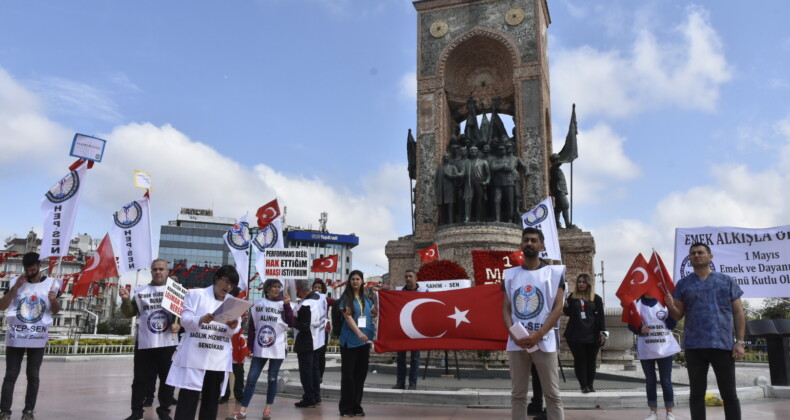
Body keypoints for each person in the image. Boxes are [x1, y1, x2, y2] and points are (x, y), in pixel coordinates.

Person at [665, 242, 745, 420]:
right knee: (696, 395)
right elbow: (678, 315)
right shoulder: (683, 284)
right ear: (690, 258)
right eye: (693, 253)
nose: (696, 255)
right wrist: (670, 305)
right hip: (695, 346)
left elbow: (739, 312)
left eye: (700, 252)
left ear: (710, 257)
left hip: (722, 345)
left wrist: (739, 342)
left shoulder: (726, 281)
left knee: (729, 395)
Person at [501, 227, 565, 420]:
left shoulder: (554, 273)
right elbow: (506, 309)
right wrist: (515, 335)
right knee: (518, 395)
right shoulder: (510, 274)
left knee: (552, 395)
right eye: (526, 240)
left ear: (541, 245)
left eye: (534, 240)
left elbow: (558, 308)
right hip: (517, 343)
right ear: (521, 244)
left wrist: (538, 334)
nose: (529, 243)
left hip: (544, 341)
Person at [167, 265, 241, 420]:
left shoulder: (233, 303)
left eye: (232, 285)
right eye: (226, 282)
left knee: (211, 399)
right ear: (216, 279)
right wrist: (199, 319)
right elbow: (185, 320)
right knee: (188, 396)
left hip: (217, 357)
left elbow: (234, 329)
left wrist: (232, 326)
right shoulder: (195, 294)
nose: (228, 287)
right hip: (195, 355)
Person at [0, 252, 61, 420]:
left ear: (39, 266)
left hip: (37, 337)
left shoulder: (52, 284)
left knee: (33, 376)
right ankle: (4, 411)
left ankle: (28, 411)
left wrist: (54, 300)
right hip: (16, 336)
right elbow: (2, 306)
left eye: (32, 270)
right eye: (26, 270)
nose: (29, 273)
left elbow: (55, 310)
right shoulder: (15, 282)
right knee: (10, 375)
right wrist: (14, 289)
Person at [119, 259, 180, 420]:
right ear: (151, 272)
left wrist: (179, 324)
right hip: (145, 342)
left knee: (167, 379)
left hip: (167, 343)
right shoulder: (141, 291)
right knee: (140, 379)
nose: (158, 272)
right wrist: (125, 299)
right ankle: (136, 411)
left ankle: (164, 410)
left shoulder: (176, 291)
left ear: (167, 271)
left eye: (161, 269)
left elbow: (184, 314)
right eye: (154, 269)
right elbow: (130, 312)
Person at [227, 279, 294, 420]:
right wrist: (250, 346)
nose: (277, 289)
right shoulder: (258, 304)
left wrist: (287, 307)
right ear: (267, 289)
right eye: (274, 287)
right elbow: (252, 327)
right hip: (260, 346)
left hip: (278, 346)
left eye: (279, 287)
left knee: (272, 378)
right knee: (251, 378)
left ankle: (267, 409)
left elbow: (291, 322)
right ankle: (242, 410)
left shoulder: (285, 304)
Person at [628, 293, 680, 420]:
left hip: (665, 348)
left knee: (666, 381)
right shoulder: (636, 303)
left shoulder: (664, 301)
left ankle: (669, 412)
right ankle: (653, 412)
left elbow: (672, 325)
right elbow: (630, 324)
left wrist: (670, 305)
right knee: (650, 381)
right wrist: (639, 328)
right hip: (647, 348)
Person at [338, 270, 376, 417]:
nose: (355, 281)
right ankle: (346, 407)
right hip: (350, 341)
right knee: (348, 375)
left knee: (360, 375)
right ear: (350, 281)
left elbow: (377, 311)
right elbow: (348, 318)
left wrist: (378, 296)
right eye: (352, 279)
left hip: (364, 342)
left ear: (362, 282)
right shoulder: (346, 299)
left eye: (357, 279)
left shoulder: (366, 299)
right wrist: (359, 333)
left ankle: (356, 406)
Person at [563, 273, 607, 393]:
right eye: (579, 282)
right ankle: (583, 385)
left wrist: (603, 334)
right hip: (576, 335)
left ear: (588, 284)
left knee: (591, 360)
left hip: (593, 335)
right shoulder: (573, 297)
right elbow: (568, 312)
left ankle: (590, 384)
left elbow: (601, 318)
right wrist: (565, 303)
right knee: (580, 360)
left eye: (583, 282)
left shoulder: (596, 298)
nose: (581, 284)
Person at [392, 269, 427, 390]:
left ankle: (413, 383)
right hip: (402, 328)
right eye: (406, 276)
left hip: (416, 329)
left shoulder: (424, 292)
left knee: (415, 357)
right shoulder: (399, 292)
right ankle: (400, 382)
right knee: (401, 357)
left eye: (410, 276)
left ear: (416, 278)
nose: (408, 278)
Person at [293, 279, 324, 408]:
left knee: (306, 371)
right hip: (318, 339)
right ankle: (316, 395)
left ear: (299, 290)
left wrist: (291, 319)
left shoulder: (306, 304)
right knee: (315, 369)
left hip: (307, 341)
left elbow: (304, 325)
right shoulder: (320, 297)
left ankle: (309, 397)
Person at [220, 287, 249, 405]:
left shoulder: (238, 307)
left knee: (238, 371)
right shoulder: (221, 305)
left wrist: (242, 320)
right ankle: (224, 395)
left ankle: (239, 394)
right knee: (223, 371)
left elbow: (242, 325)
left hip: (236, 342)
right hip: (223, 341)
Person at [313, 280, 333, 383]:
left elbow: (336, 302)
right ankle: (314, 375)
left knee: (321, 354)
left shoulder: (326, 299)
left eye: (319, 288)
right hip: (312, 330)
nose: (317, 289)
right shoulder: (309, 299)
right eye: (315, 287)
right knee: (313, 354)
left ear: (323, 290)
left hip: (323, 329)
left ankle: (320, 376)